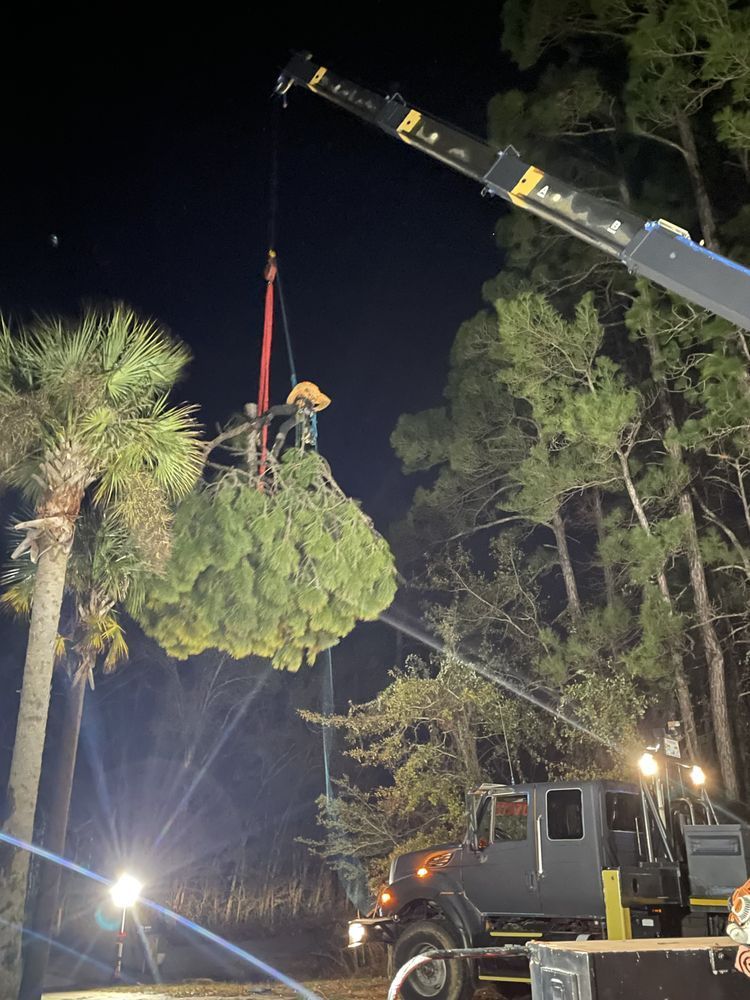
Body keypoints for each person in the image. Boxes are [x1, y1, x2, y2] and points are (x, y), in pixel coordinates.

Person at [256, 381, 331, 459]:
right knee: (284, 426)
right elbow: (326, 401)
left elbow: (326, 401)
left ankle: (265, 420)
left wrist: (315, 409)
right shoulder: (311, 392)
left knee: (276, 412)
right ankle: (275, 451)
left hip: (300, 409)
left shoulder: (307, 390)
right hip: (299, 410)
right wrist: (315, 409)